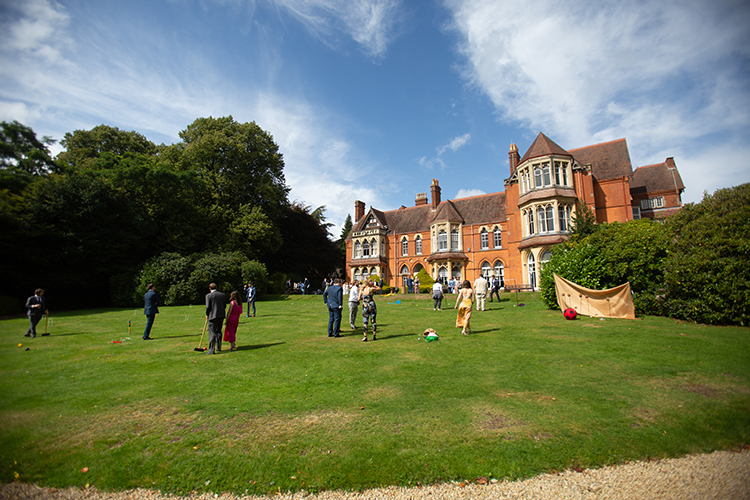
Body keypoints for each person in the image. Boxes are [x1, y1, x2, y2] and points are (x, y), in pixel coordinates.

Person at [205, 283, 227, 354]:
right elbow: (224, 305)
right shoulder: (222, 295)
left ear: (209, 288)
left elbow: (208, 307)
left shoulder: (208, 296)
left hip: (212, 316)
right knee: (218, 331)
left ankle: (211, 350)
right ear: (216, 287)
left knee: (212, 332)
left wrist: (207, 314)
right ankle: (218, 347)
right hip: (221, 315)